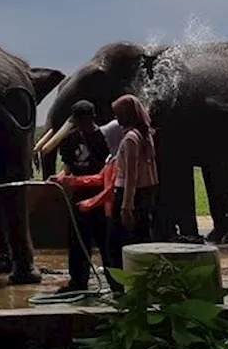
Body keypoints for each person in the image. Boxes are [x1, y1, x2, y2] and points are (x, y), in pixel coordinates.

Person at [46, 101, 112, 293]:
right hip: (78, 195)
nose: (78, 125)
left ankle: (115, 282)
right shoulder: (71, 138)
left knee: (104, 241)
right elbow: (68, 164)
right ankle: (78, 281)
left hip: (100, 195)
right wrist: (61, 176)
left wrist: (75, 181)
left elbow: (106, 172)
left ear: (91, 118)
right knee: (77, 240)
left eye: (81, 121)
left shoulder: (104, 137)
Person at [105, 94, 160, 293]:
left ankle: (120, 287)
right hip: (146, 195)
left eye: (119, 114)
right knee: (141, 241)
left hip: (129, 196)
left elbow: (131, 176)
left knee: (115, 244)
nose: (116, 118)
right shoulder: (146, 135)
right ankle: (142, 285)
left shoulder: (130, 139)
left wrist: (127, 206)